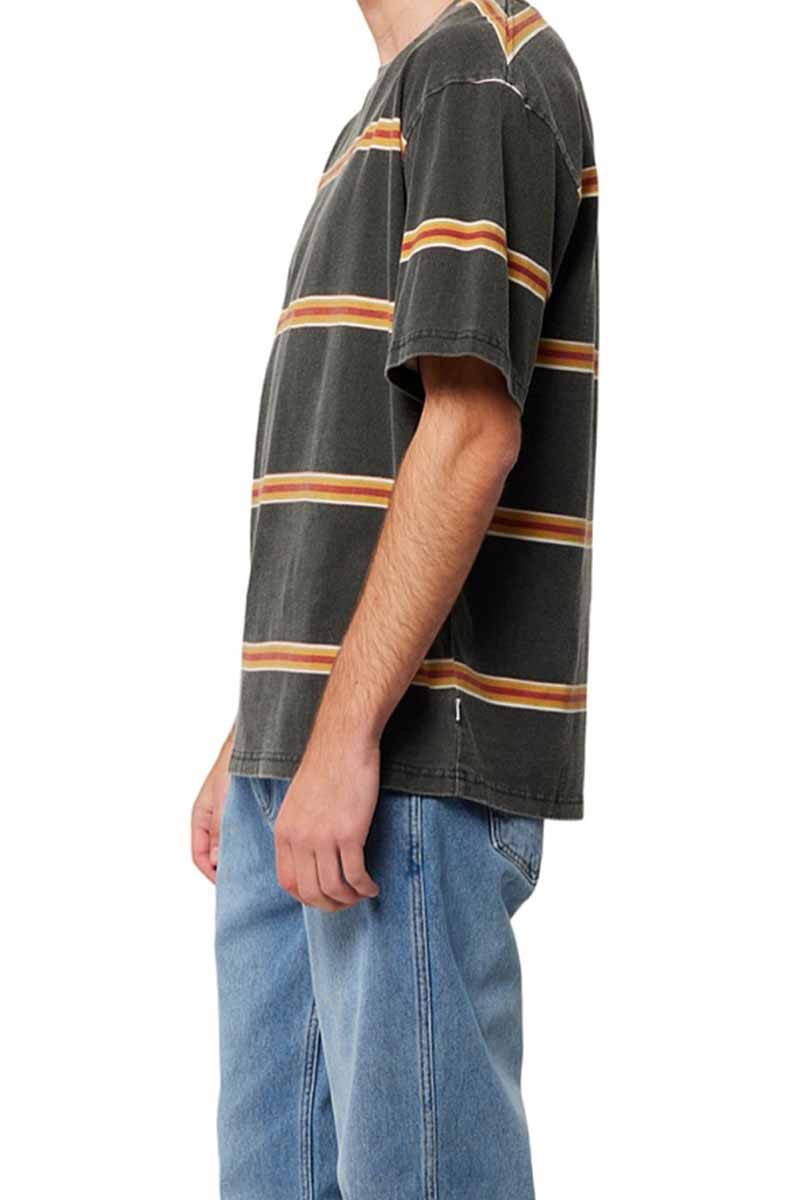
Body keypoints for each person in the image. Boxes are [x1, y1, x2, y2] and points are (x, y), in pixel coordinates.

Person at [192, 1, 598, 1195]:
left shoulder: (479, 72)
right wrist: (258, 730)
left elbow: (469, 432)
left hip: (402, 760)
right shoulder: (397, 96)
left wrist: (342, 733)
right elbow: (369, 467)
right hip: (315, 753)